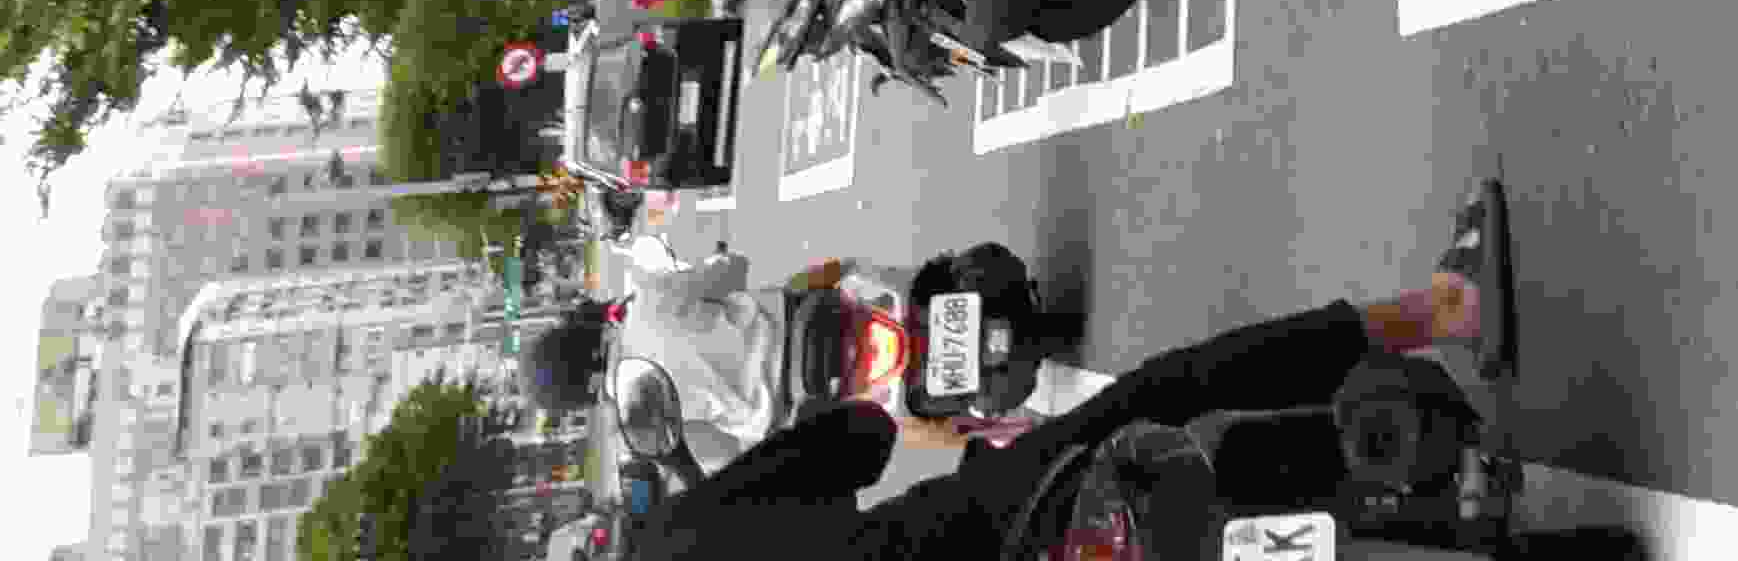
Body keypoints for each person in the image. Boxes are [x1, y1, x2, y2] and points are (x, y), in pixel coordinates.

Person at [632, 183, 1511, 561]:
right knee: (1178, 393)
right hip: (987, 524)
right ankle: (1442, 314)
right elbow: (857, 438)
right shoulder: (672, 539)